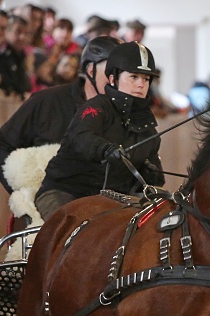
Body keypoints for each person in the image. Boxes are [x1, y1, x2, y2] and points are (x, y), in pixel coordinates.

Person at [35, 41, 165, 221]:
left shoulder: (148, 126)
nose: (141, 85)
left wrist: (151, 174)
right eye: (134, 77)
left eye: (146, 79)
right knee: (76, 234)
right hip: (65, 192)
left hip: (113, 200)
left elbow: (155, 179)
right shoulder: (96, 107)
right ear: (113, 79)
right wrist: (105, 149)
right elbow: (81, 137)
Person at [0, 35, 122, 194]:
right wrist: (23, 194)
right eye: (111, 71)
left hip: (106, 206)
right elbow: (4, 144)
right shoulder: (46, 101)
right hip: (50, 204)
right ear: (91, 70)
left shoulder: (128, 112)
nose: (117, 79)